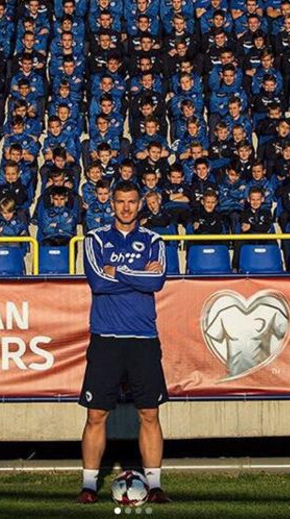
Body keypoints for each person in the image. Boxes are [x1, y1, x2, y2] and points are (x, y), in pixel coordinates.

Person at [78, 180, 170, 505]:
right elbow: (98, 282)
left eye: (132, 201)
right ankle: (89, 486)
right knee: (95, 415)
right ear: (112, 204)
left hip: (144, 338)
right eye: (121, 202)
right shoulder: (95, 239)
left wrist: (118, 270)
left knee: (149, 412)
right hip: (106, 338)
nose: (126, 207)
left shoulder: (154, 240)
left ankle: (155, 485)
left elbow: (157, 280)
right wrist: (136, 275)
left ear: (140, 203)